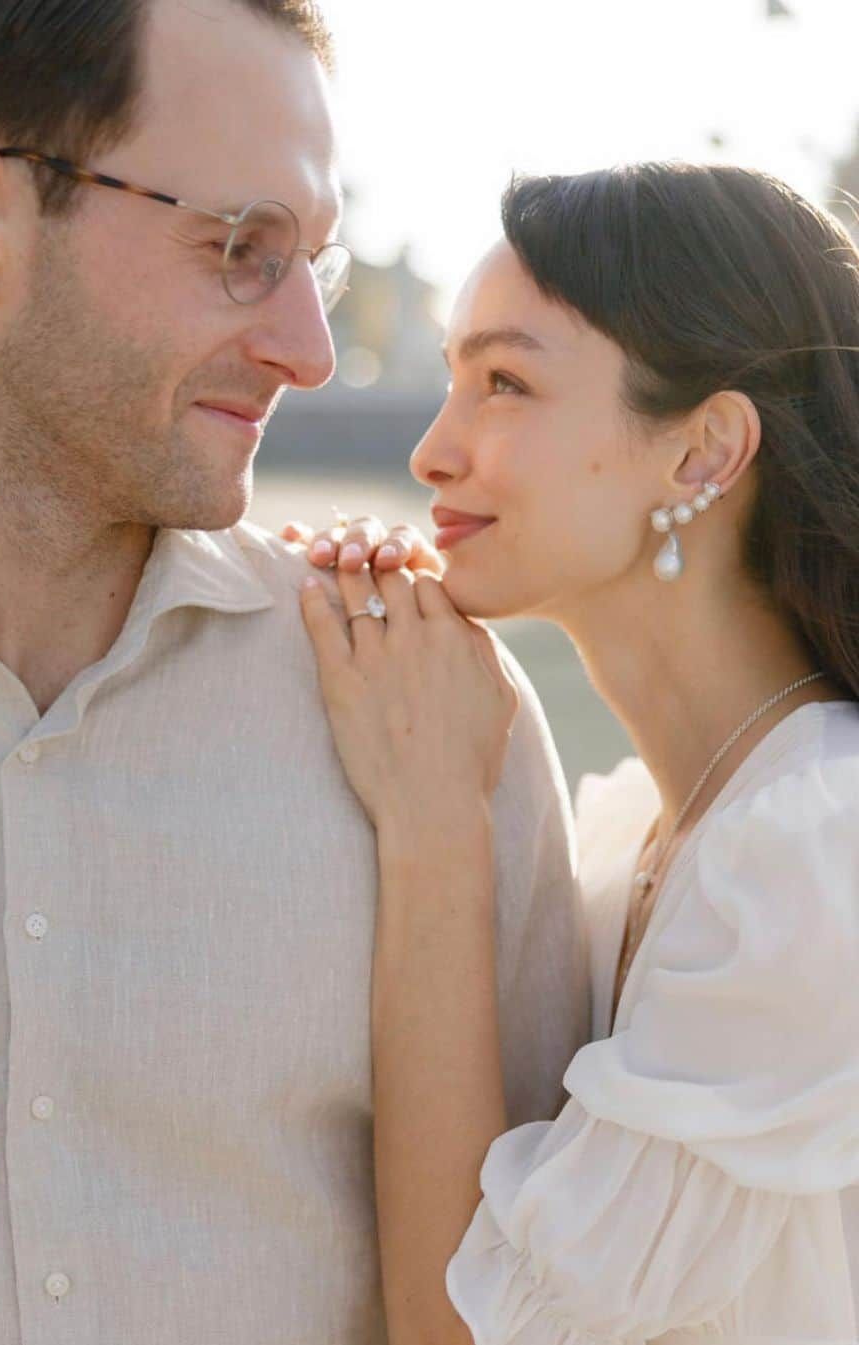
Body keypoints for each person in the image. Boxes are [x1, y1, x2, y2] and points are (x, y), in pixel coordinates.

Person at [0, 2, 590, 1342]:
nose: (310, 352)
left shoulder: (438, 711)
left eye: (310, 265)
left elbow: (545, 1301)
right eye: (238, 248)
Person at [289, 162, 859, 1343]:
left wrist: (435, 818)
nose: (433, 453)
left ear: (703, 452)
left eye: (504, 382)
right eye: (453, 382)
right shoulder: (633, 846)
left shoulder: (816, 857)